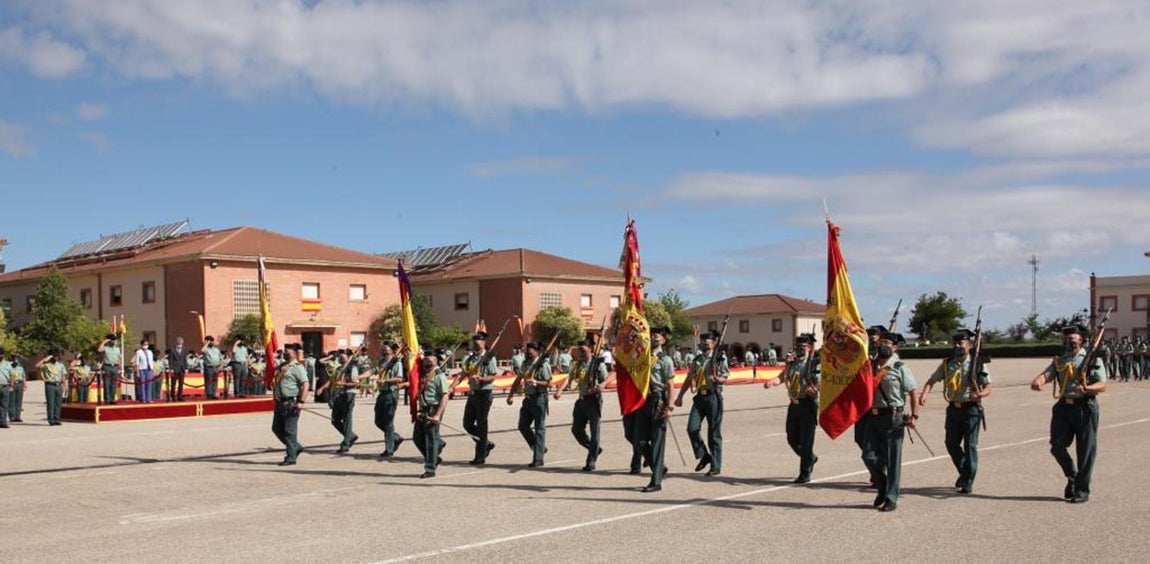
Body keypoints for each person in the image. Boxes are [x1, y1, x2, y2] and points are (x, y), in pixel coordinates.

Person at [1030, 324, 1107, 504]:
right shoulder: (1060, 360)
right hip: (1063, 407)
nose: (1068, 342)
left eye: (1072, 339)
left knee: (1085, 450)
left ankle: (1081, 490)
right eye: (1065, 339)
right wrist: (1038, 381)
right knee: (1056, 445)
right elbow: (1047, 374)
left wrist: (1088, 388)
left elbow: (1102, 384)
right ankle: (1073, 476)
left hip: (1084, 407)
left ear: (1081, 340)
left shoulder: (1092, 359)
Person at [920, 328, 992, 494]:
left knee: (970, 445)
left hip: (971, 410)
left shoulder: (978, 363)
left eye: (961, 343)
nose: (958, 346)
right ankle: (965, 472)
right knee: (951, 444)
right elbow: (931, 380)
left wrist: (980, 394)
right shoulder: (947, 363)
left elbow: (988, 387)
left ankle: (967, 481)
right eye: (956, 343)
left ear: (969, 345)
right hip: (953, 409)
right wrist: (925, 393)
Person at [863, 330, 919, 512]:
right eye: (882, 342)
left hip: (893, 417)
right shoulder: (869, 365)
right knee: (868, 456)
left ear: (895, 347)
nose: (884, 345)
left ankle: (891, 497)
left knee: (893, 459)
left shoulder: (899, 367)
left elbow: (912, 392)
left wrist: (914, 416)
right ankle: (883, 486)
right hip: (873, 416)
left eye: (888, 342)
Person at [765, 333, 821, 483]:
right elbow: (783, 376)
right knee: (792, 438)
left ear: (810, 347)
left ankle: (805, 473)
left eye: (803, 346)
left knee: (806, 440)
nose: (799, 349)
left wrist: (814, 388)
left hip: (808, 404)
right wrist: (772, 382)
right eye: (797, 346)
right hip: (794, 404)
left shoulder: (814, 362)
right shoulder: (792, 362)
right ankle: (810, 458)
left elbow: (820, 382)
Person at [675, 331, 729, 476]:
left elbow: (725, 377)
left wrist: (716, 378)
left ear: (713, 344)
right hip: (700, 397)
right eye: (702, 342)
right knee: (692, 428)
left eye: (707, 342)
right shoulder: (697, 359)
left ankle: (716, 465)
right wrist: (680, 396)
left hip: (714, 398)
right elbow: (689, 378)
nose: (704, 344)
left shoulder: (719, 358)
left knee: (714, 433)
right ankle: (704, 455)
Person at [555, 338, 610, 472]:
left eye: (584, 351)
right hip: (581, 400)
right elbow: (569, 377)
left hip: (593, 400)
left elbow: (606, 379)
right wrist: (560, 390)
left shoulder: (598, 364)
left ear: (591, 349)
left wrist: (600, 386)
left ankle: (591, 460)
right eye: (579, 351)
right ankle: (594, 448)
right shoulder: (578, 364)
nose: (581, 353)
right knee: (576, 429)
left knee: (594, 430)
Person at [636, 326, 676, 492]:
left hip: (658, 402)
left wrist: (670, 406)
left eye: (657, 337)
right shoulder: (642, 357)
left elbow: (670, 385)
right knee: (639, 441)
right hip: (643, 401)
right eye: (651, 336)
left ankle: (656, 481)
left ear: (663, 341)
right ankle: (658, 467)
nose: (653, 339)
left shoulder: (665, 360)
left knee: (658, 443)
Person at [451, 331, 499, 465]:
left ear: (484, 342)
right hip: (472, 394)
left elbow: (493, 376)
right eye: (475, 340)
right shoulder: (470, 359)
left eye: (480, 340)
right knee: (467, 424)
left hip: (484, 394)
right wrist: (452, 386)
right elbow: (462, 374)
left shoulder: (489, 358)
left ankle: (480, 455)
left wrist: (482, 378)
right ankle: (486, 443)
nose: (477, 342)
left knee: (482, 424)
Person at [509, 341, 551, 467]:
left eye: (530, 351)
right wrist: (510, 394)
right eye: (527, 351)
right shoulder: (525, 363)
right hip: (527, 399)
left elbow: (549, 383)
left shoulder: (543, 365)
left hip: (539, 398)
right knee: (522, 425)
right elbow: (518, 379)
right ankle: (538, 447)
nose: (528, 353)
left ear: (537, 351)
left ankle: (538, 458)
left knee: (539, 429)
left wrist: (536, 382)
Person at [414, 350, 450, 478]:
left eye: (430, 359)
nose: (427, 361)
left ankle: (430, 469)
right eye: (425, 359)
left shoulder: (439, 376)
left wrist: (437, 415)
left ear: (436, 360)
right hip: (423, 409)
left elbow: (445, 396)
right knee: (417, 438)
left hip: (433, 409)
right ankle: (435, 455)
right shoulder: (424, 374)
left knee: (430, 440)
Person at [272, 344, 309, 466]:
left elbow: (305, 384)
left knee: (289, 431)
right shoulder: (282, 366)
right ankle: (295, 447)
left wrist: (301, 402)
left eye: (287, 352)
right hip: (280, 402)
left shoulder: (298, 367)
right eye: (284, 352)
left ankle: (291, 457)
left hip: (291, 402)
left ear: (294, 353)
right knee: (276, 428)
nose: (285, 353)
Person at [317, 349, 359, 454]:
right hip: (338, 396)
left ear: (349, 357)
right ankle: (351, 436)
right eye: (340, 356)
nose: (340, 358)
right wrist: (322, 388)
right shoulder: (339, 369)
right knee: (335, 420)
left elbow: (355, 383)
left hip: (348, 395)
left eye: (343, 356)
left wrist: (344, 384)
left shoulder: (352, 369)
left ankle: (345, 444)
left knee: (347, 420)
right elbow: (332, 381)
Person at [374, 342, 407, 458]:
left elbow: (399, 378)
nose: (383, 349)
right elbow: (374, 372)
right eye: (383, 347)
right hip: (381, 393)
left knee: (388, 422)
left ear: (392, 350)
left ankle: (389, 449)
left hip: (390, 393)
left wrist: (386, 381)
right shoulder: (381, 362)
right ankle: (396, 438)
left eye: (386, 348)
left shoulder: (396, 363)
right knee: (378, 421)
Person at [37, 350, 68, 425]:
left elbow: (63, 376)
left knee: (58, 403)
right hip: (50, 385)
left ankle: (57, 419)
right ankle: (51, 420)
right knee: (51, 403)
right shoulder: (47, 365)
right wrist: (46, 359)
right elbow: (37, 366)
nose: (56, 358)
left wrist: (65, 386)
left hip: (58, 385)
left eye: (57, 356)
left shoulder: (60, 365)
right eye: (54, 356)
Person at [97, 334, 121, 405]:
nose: (113, 341)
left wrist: (120, 368)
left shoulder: (117, 349)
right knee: (107, 384)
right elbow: (99, 350)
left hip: (115, 367)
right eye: (112, 340)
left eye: (114, 340)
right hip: (107, 366)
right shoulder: (105, 348)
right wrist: (104, 341)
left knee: (114, 384)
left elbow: (119, 358)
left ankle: (112, 399)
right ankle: (107, 399)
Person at [168, 337, 188, 401]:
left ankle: (180, 396)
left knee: (181, 383)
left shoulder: (184, 349)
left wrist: (186, 367)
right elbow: (170, 360)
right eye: (179, 343)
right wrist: (171, 368)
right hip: (174, 368)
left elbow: (185, 359)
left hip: (182, 368)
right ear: (176, 343)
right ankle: (173, 396)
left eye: (181, 343)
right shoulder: (172, 350)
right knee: (173, 383)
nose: (180, 344)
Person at [7, 355, 26, 422]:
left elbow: (23, 376)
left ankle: (17, 416)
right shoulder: (9, 367)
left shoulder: (21, 367)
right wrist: (10, 384)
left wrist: (24, 385)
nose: (16, 360)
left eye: (17, 358)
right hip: (12, 384)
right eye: (14, 358)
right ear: (12, 359)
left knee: (19, 401)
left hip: (20, 384)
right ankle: (12, 417)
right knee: (11, 401)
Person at [0, 350, 11, 428]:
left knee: (4, 405)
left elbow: (11, 374)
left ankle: (3, 422)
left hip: (4, 386)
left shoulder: (7, 364)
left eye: (2, 354)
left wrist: (11, 385)